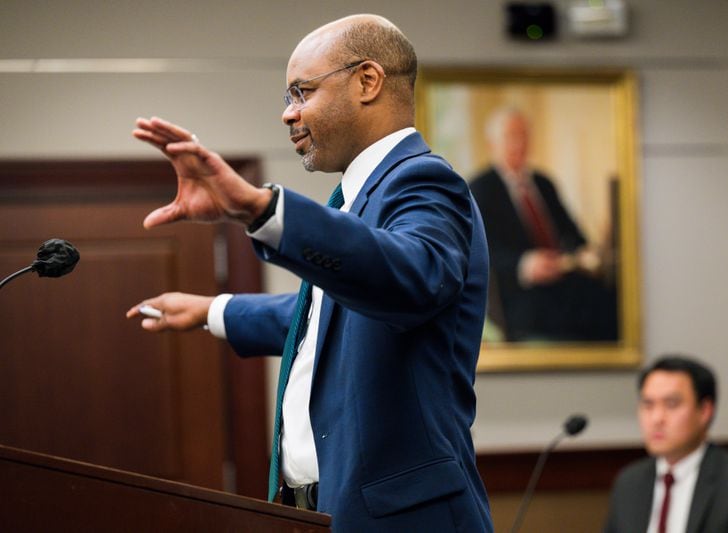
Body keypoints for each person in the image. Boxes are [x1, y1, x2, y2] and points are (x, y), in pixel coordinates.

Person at [126, 14, 493, 532]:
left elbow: (410, 279)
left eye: (301, 93)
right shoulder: (356, 197)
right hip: (321, 511)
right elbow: (328, 318)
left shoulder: (422, 181)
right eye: (287, 98)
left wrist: (262, 210)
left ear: (368, 81)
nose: (288, 115)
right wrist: (213, 309)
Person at [469, 107, 617, 342]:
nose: (519, 144)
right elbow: (481, 253)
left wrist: (582, 254)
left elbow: (573, 235)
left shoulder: (543, 183)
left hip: (562, 280)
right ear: (492, 144)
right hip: (520, 293)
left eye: (524, 136)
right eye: (511, 137)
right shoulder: (480, 189)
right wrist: (523, 264)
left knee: (610, 299)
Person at [604, 355, 728, 533]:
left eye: (671, 404)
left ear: (705, 411)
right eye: (648, 405)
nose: (656, 418)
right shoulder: (629, 483)